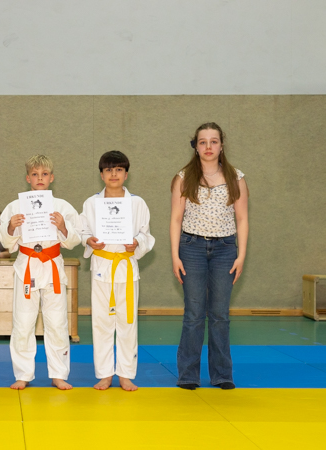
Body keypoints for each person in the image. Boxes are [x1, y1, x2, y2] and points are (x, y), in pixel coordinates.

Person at [170, 122, 249, 390]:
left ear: (221, 145)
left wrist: (241, 255)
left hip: (225, 250)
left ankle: (222, 374)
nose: (208, 147)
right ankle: (188, 375)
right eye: (203, 142)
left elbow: (242, 218)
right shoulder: (184, 177)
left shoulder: (236, 178)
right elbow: (176, 218)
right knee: (194, 313)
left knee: (219, 314)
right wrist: (175, 255)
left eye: (213, 141)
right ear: (196, 146)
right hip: (191, 248)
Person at [0, 155, 81, 390]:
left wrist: (63, 226)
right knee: (23, 323)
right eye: (34, 174)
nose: (39, 178)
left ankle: (58, 374)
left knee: (57, 322)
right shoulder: (14, 207)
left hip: (52, 265)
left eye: (44, 174)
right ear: (28, 178)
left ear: (51, 178)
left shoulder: (63, 207)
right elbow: (5, 242)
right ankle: (23, 374)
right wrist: (11, 226)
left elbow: (75, 240)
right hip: (26, 265)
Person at [80, 151, 154, 391]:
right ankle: (104, 374)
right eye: (109, 170)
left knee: (127, 323)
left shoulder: (137, 203)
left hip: (126, 268)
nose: (114, 174)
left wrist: (137, 243)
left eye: (119, 169)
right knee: (101, 323)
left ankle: (125, 374)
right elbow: (82, 231)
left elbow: (146, 234)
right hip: (101, 268)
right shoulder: (91, 203)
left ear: (126, 174)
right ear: (101, 175)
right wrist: (89, 241)